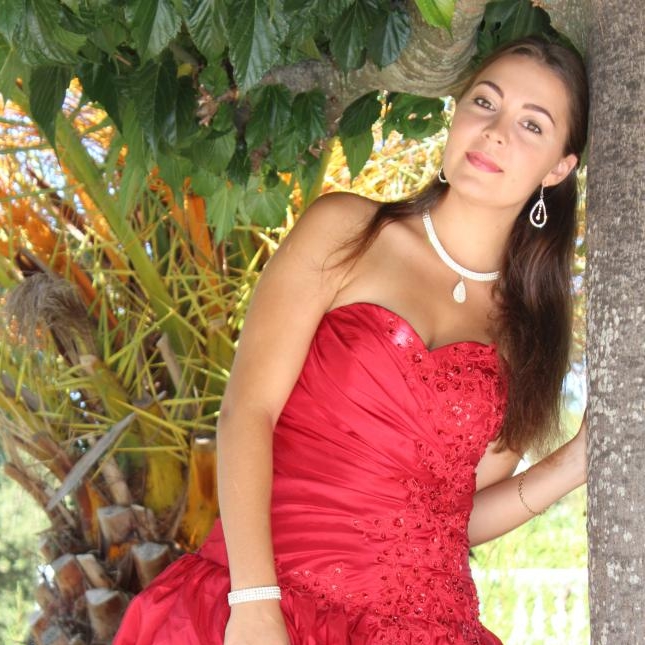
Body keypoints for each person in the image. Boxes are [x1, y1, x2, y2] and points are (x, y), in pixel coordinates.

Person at [114, 35, 589, 645]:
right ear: (457, 112)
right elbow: (248, 410)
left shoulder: (529, 337)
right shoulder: (346, 232)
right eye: (484, 102)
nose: (496, 132)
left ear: (558, 169)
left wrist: (572, 465)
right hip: (271, 605)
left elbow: (455, 518)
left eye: (531, 125)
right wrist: (254, 604)